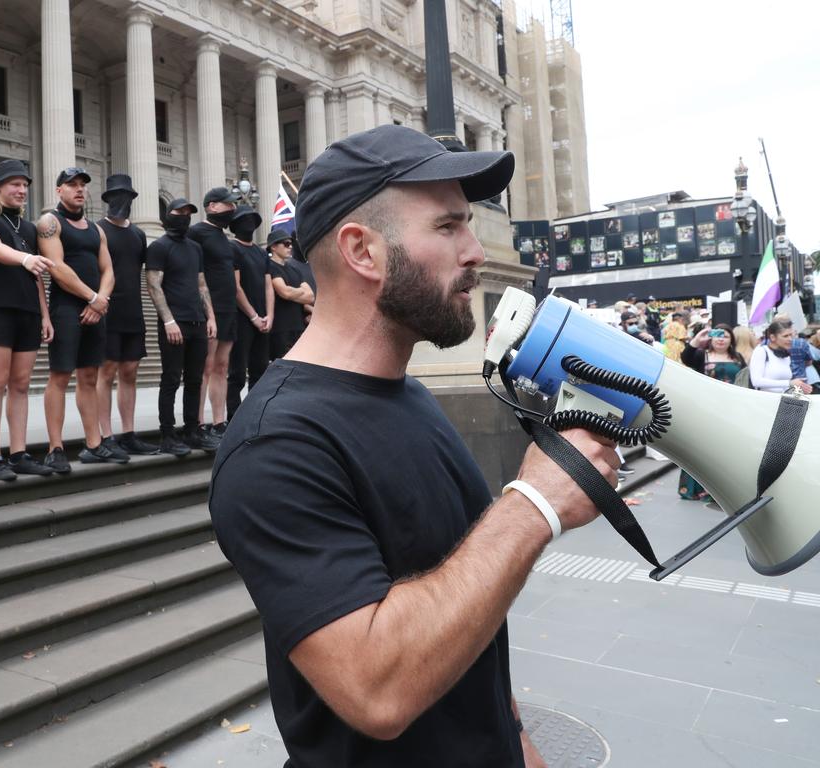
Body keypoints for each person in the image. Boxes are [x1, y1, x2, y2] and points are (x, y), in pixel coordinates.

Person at [210, 125, 619, 767]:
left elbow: (469, 623)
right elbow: (376, 691)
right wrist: (533, 502)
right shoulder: (277, 445)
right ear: (363, 251)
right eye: (449, 226)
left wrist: (516, 742)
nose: (476, 252)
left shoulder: (411, 396)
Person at [0, 159, 55, 481]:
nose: (21, 190)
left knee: (20, 385)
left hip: (29, 312)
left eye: (25, 185)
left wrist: (45, 314)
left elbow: (37, 277)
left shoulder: (29, 229)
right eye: (15, 184)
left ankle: (18, 452)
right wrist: (27, 258)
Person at [37, 167, 125, 471]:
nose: (78, 189)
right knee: (60, 376)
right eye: (71, 184)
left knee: (89, 377)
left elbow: (109, 271)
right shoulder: (50, 222)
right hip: (66, 309)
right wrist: (93, 298)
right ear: (58, 190)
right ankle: (55, 448)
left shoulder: (96, 229)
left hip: (95, 310)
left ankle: (94, 444)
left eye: (82, 185)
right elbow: (57, 268)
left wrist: (101, 301)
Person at [145, 198, 219, 455]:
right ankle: (168, 435)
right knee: (171, 379)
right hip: (174, 323)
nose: (185, 216)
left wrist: (210, 317)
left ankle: (192, 430)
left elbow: (201, 285)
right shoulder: (158, 246)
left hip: (197, 321)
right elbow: (154, 285)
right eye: (180, 212)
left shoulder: (195, 248)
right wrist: (168, 320)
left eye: (189, 213)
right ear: (168, 214)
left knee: (195, 380)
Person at [94, 174, 159, 456]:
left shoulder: (139, 234)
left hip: (133, 310)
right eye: (116, 196)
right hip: (107, 309)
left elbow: (143, 272)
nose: (122, 201)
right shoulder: (98, 230)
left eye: (127, 196)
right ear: (107, 200)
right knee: (106, 371)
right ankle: (105, 434)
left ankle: (128, 433)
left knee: (130, 371)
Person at [187, 186, 241, 439]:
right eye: (227, 204)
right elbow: (194, 275)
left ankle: (219, 422)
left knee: (222, 366)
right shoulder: (196, 233)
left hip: (229, 308)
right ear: (212, 206)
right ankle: (197, 423)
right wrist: (206, 312)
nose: (232, 209)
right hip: (210, 309)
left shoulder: (225, 238)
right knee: (205, 367)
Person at [678, 323, 746, 500]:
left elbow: (745, 381)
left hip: (731, 411)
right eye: (717, 335)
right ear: (711, 338)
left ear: (731, 339)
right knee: (701, 449)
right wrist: (697, 339)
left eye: (725, 335)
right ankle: (695, 489)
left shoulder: (737, 357)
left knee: (723, 450)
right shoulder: (702, 355)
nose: (721, 339)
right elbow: (686, 357)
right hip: (705, 409)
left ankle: (720, 490)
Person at [226, 205, 273, 419]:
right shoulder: (232, 248)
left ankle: (255, 415)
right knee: (237, 373)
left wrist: (269, 315)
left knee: (260, 370)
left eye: (251, 219)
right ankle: (234, 416)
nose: (249, 224)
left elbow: (268, 286)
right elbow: (235, 287)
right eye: (244, 220)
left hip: (263, 320)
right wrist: (253, 316)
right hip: (242, 320)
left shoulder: (261, 253)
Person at [266, 228, 314, 360]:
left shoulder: (294, 269)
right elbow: (284, 292)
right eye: (286, 244)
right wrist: (298, 292)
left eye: (291, 244)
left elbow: (310, 296)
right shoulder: (270, 266)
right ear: (274, 247)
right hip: (280, 328)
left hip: (298, 326)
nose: (290, 247)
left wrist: (292, 291)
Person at [749, 318, 809, 393]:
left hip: (781, 402)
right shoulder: (761, 351)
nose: (790, 339)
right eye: (785, 336)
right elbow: (756, 381)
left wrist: (797, 387)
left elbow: (783, 387)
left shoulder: (786, 356)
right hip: (763, 401)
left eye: (791, 335)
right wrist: (789, 383)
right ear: (772, 337)